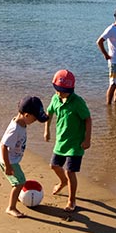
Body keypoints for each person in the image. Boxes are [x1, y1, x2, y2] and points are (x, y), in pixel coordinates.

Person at [44, 69, 92, 212]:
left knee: (70, 171)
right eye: (58, 90)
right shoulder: (55, 99)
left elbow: (88, 119)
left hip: (75, 144)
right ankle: (63, 181)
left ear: (71, 89)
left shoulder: (78, 102)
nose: (60, 93)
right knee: (54, 165)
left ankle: (72, 200)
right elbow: (49, 113)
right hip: (61, 141)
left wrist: (87, 139)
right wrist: (47, 130)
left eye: (63, 91)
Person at [0, 96, 49, 218]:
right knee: (20, 182)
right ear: (26, 115)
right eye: (35, 118)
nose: (35, 121)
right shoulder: (15, 129)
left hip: (11, 159)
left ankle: (16, 197)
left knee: (17, 182)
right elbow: (4, 146)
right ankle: (11, 207)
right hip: (9, 161)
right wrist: (8, 166)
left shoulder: (21, 123)